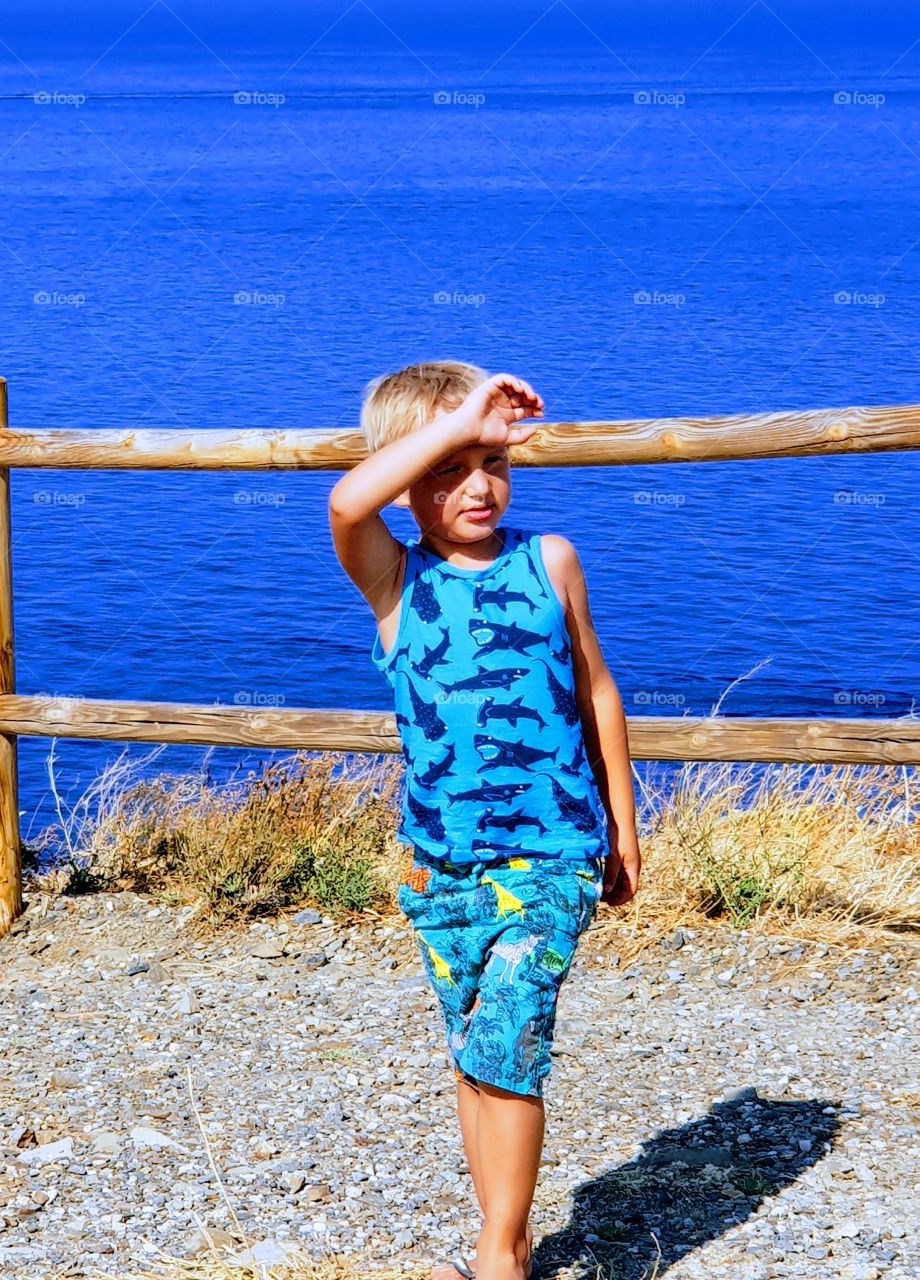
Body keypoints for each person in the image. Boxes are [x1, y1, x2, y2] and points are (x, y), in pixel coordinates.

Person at [328, 361, 641, 1280]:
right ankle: (496, 1242)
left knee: (509, 1041)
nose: (477, 486)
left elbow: (597, 688)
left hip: (551, 856)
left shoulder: (550, 560)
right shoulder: (395, 584)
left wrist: (623, 821)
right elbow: (350, 504)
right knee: (472, 1053)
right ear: (407, 474)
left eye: (493, 464)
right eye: (447, 468)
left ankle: (500, 1261)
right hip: (441, 865)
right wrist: (469, 416)